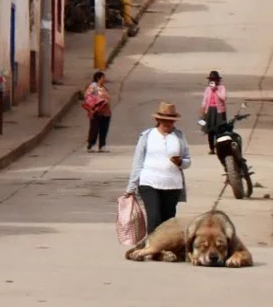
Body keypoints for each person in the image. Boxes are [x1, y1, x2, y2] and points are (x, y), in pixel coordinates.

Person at [125, 102, 191, 235]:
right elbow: (138, 162)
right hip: (149, 183)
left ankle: (165, 249)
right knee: (154, 217)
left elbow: (188, 161)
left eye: (171, 121)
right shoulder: (147, 136)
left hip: (172, 185)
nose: (167, 124)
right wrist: (131, 187)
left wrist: (180, 162)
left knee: (168, 221)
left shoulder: (179, 136)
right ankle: (152, 248)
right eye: (164, 121)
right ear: (158, 120)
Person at [83, 71, 111, 152]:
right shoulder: (93, 86)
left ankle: (102, 145)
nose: (104, 79)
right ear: (98, 78)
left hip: (105, 112)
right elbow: (87, 97)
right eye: (103, 78)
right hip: (96, 111)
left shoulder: (102, 87)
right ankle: (91, 145)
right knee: (94, 128)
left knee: (104, 129)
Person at [200, 71, 227, 154]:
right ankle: (211, 148)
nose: (213, 82)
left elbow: (223, 98)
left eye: (214, 80)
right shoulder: (208, 89)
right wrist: (202, 113)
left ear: (217, 80)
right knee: (210, 131)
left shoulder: (222, 88)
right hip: (210, 111)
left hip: (219, 111)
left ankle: (219, 147)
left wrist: (216, 90)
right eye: (211, 80)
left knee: (219, 130)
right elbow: (204, 101)